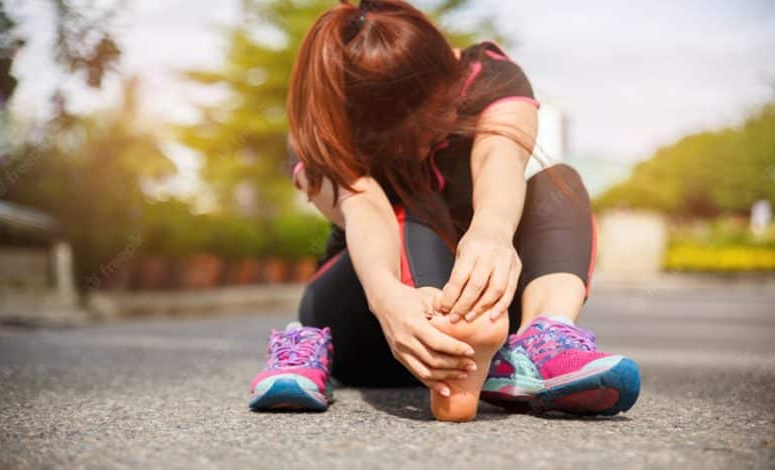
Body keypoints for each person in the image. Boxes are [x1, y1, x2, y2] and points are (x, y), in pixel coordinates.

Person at [249, 0, 640, 421]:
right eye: (400, 131)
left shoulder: (486, 75)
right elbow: (367, 210)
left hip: (484, 311)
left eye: (433, 113)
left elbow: (499, 158)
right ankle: (432, 340)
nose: (422, 139)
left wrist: (491, 233)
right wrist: (388, 300)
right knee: (416, 206)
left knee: (559, 183)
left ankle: (545, 339)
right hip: (366, 318)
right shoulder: (322, 126)